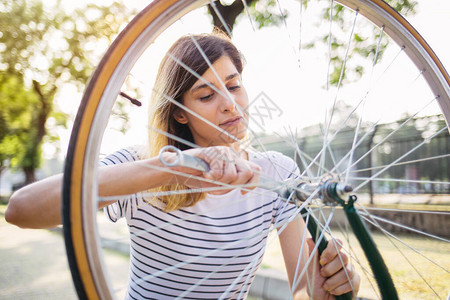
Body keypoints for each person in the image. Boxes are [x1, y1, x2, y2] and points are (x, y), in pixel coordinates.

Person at [6, 31, 360, 299]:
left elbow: (303, 289)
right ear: (178, 112)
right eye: (206, 95)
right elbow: (21, 211)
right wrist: (172, 168)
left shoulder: (276, 172)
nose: (228, 105)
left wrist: (331, 285)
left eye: (234, 86)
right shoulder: (139, 163)